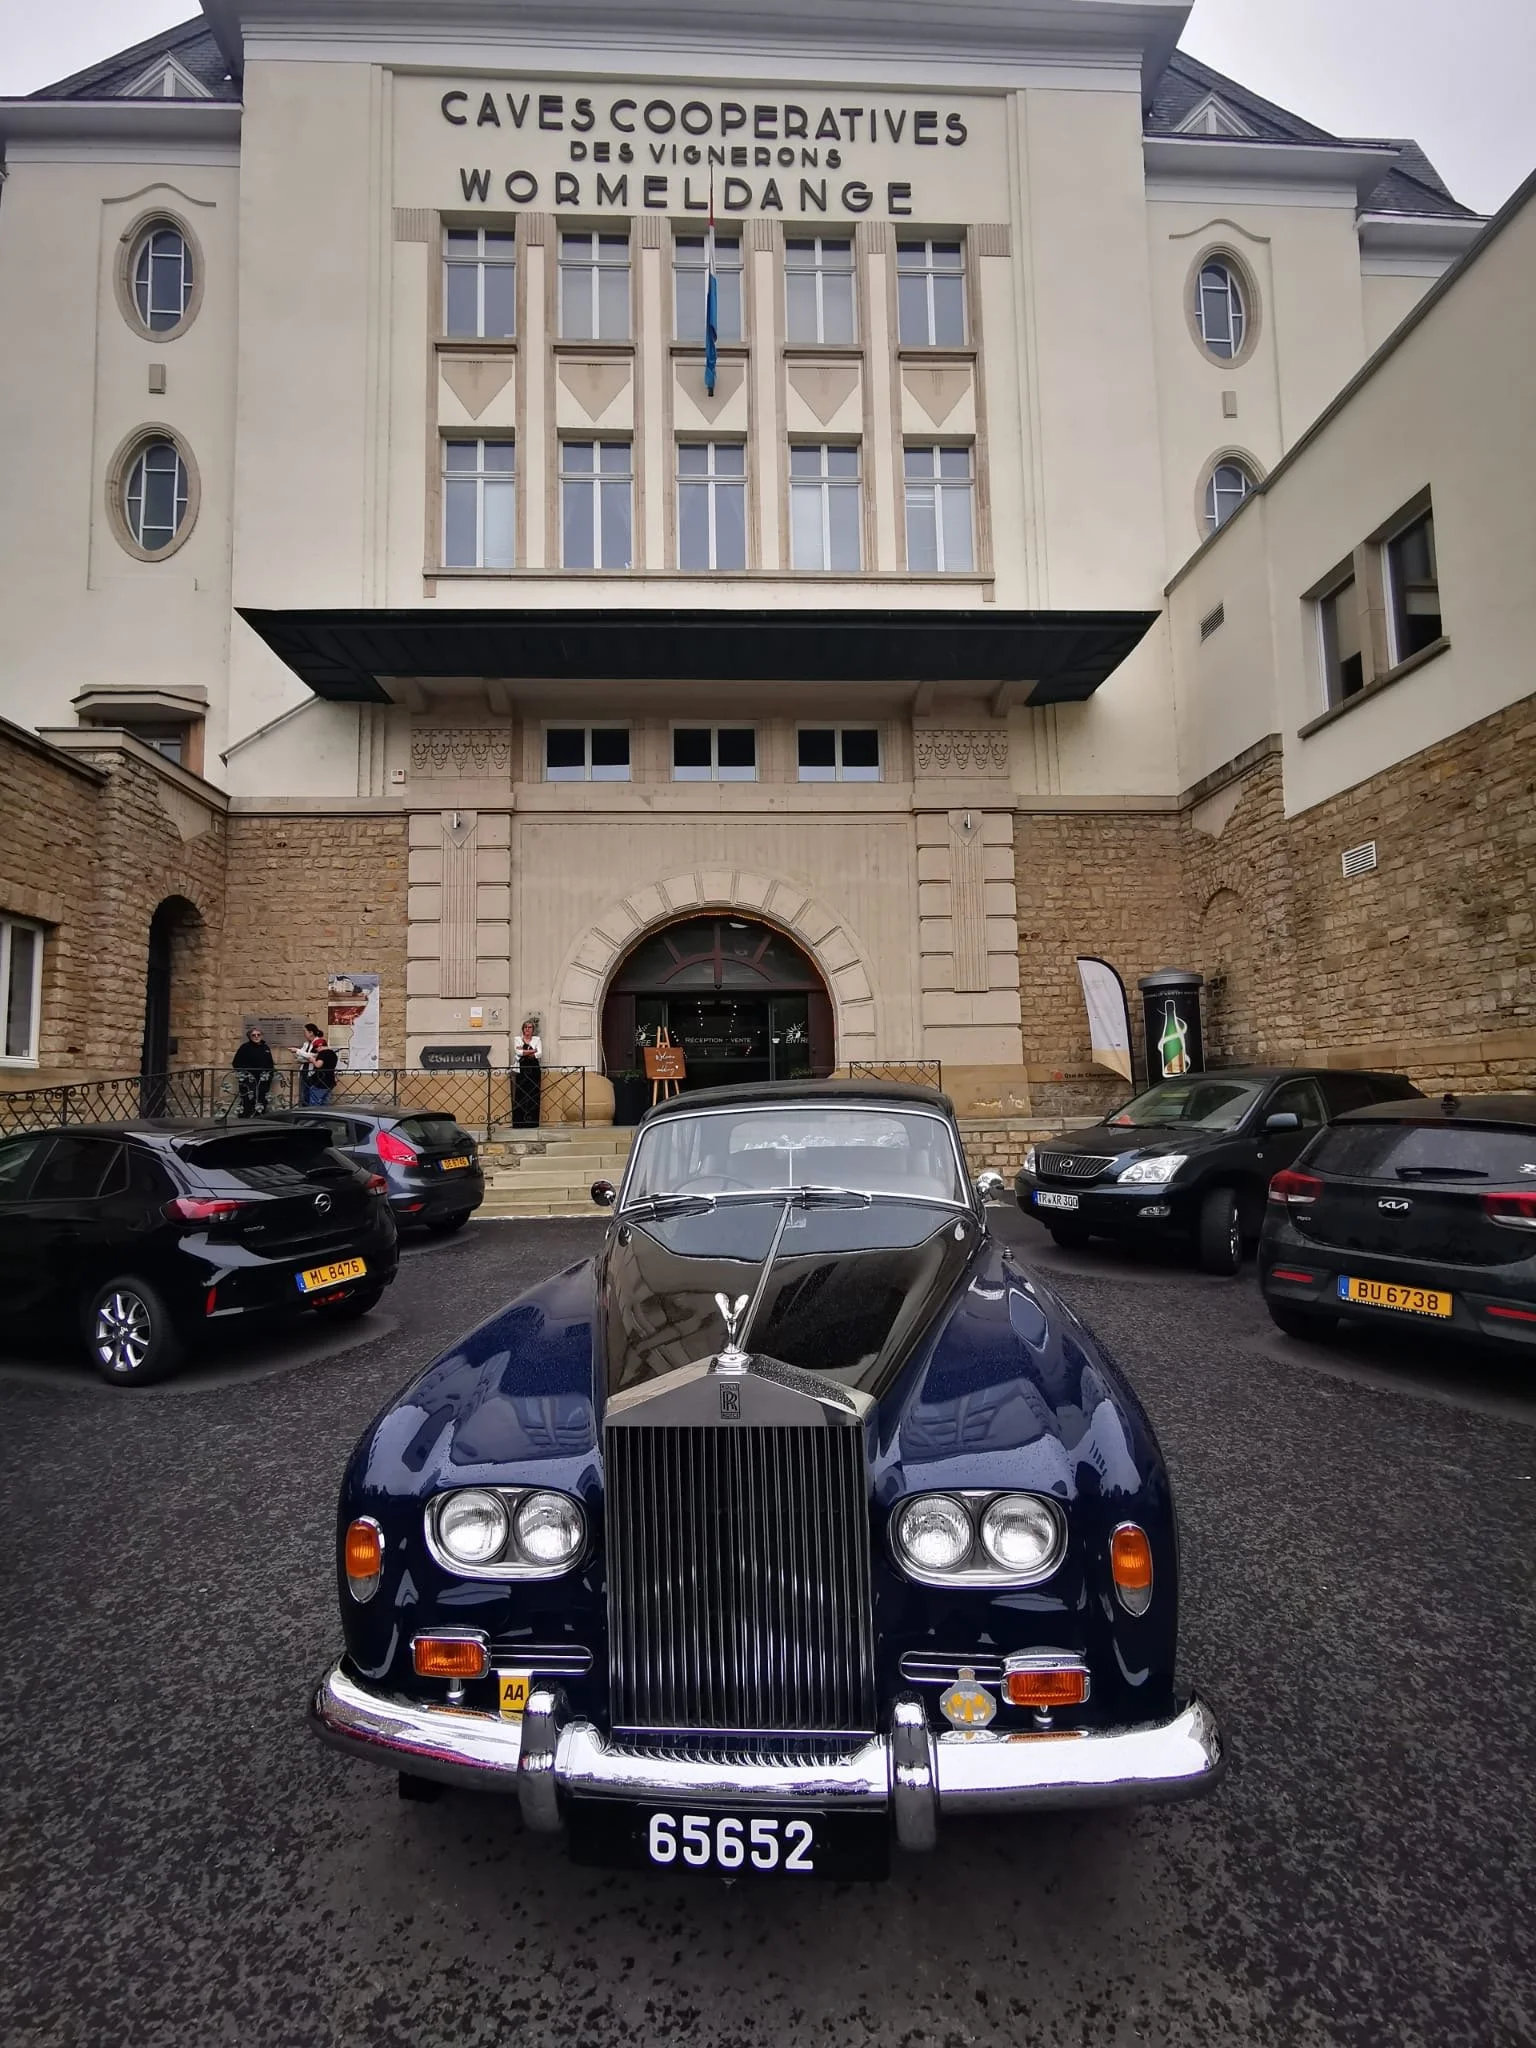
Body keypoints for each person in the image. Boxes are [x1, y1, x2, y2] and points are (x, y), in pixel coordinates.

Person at [231, 1026, 274, 1117]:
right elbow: (236, 1063)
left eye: (258, 1035)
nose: (256, 1037)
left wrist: (270, 1075)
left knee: (261, 1100)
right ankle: (244, 1120)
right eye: (253, 1035)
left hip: (263, 1081)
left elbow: (270, 1064)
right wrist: (246, 1074)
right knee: (247, 1100)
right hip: (249, 1081)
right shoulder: (245, 1048)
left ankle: (260, 1119)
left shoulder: (265, 1048)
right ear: (250, 1037)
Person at [512, 1017, 542, 1127]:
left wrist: (526, 1051)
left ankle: (532, 1122)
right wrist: (532, 1050)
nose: (528, 1029)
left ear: (533, 1030)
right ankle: (519, 1122)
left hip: (534, 1069)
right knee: (521, 1094)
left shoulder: (537, 1040)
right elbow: (518, 1052)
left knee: (533, 1094)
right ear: (523, 1029)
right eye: (526, 1027)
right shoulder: (517, 1039)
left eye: (530, 1027)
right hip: (522, 1069)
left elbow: (539, 1054)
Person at [299, 1022, 338, 1106]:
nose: (317, 1051)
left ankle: (314, 1117)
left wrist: (312, 1059)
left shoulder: (323, 1054)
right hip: (330, 1081)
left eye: (316, 1049)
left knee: (314, 1101)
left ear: (319, 1046)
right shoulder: (333, 1053)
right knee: (324, 1101)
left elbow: (318, 1065)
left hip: (321, 1081)